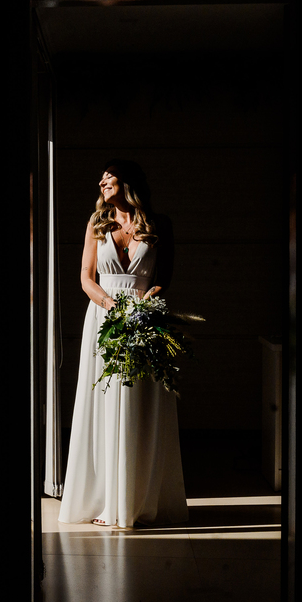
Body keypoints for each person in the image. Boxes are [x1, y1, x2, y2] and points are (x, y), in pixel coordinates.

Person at [57, 159, 189, 528]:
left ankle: (137, 499)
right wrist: (112, 306)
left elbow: (165, 277)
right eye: (100, 178)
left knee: (141, 405)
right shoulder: (97, 224)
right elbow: (85, 277)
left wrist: (144, 306)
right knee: (104, 401)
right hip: (104, 319)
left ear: (126, 182)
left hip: (145, 319)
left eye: (109, 176)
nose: (102, 181)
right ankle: (103, 499)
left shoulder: (159, 225)